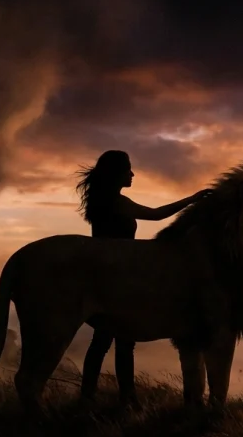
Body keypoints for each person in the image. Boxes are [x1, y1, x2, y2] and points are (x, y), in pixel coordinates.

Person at [74, 149, 212, 406]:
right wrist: (191, 200)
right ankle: (126, 397)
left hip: (106, 274)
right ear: (116, 173)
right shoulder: (117, 202)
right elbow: (156, 214)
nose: (132, 174)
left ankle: (90, 396)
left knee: (101, 342)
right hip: (120, 276)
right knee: (124, 341)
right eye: (128, 169)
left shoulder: (101, 201)